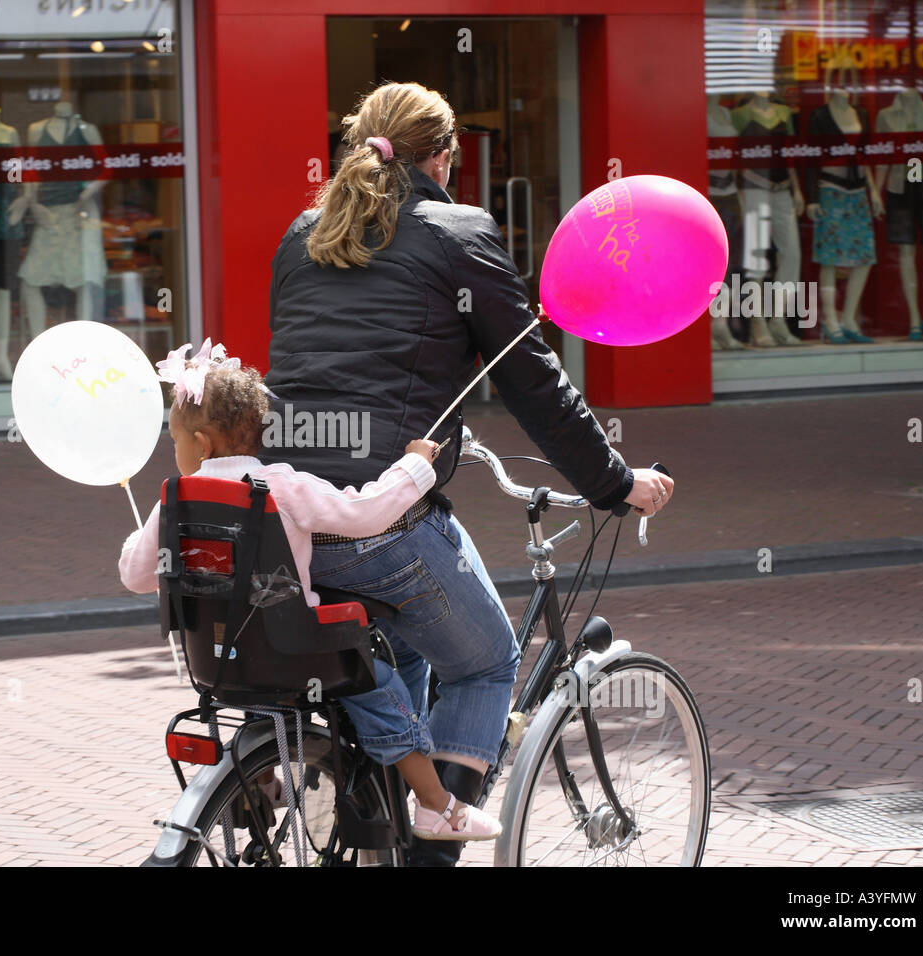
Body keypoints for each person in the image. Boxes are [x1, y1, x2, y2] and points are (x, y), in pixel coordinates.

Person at [264, 81, 674, 865]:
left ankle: (378, 822)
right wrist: (615, 482)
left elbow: (305, 369)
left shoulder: (301, 234)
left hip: (292, 519)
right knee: (485, 662)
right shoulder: (457, 231)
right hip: (382, 517)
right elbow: (535, 386)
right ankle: (433, 848)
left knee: (409, 651)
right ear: (443, 156)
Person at [119, 340, 503, 841]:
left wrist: (136, 537)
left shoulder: (175, 498)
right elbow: (364, 514)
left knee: (263, 695)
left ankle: (257, 783)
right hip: (296, 651)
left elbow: (135, 575)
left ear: (202, 443)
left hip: (219, 657)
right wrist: (414, 467)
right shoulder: (283, 486)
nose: (175, 452)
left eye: (175, 441)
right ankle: (436, 807)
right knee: (380, 688)